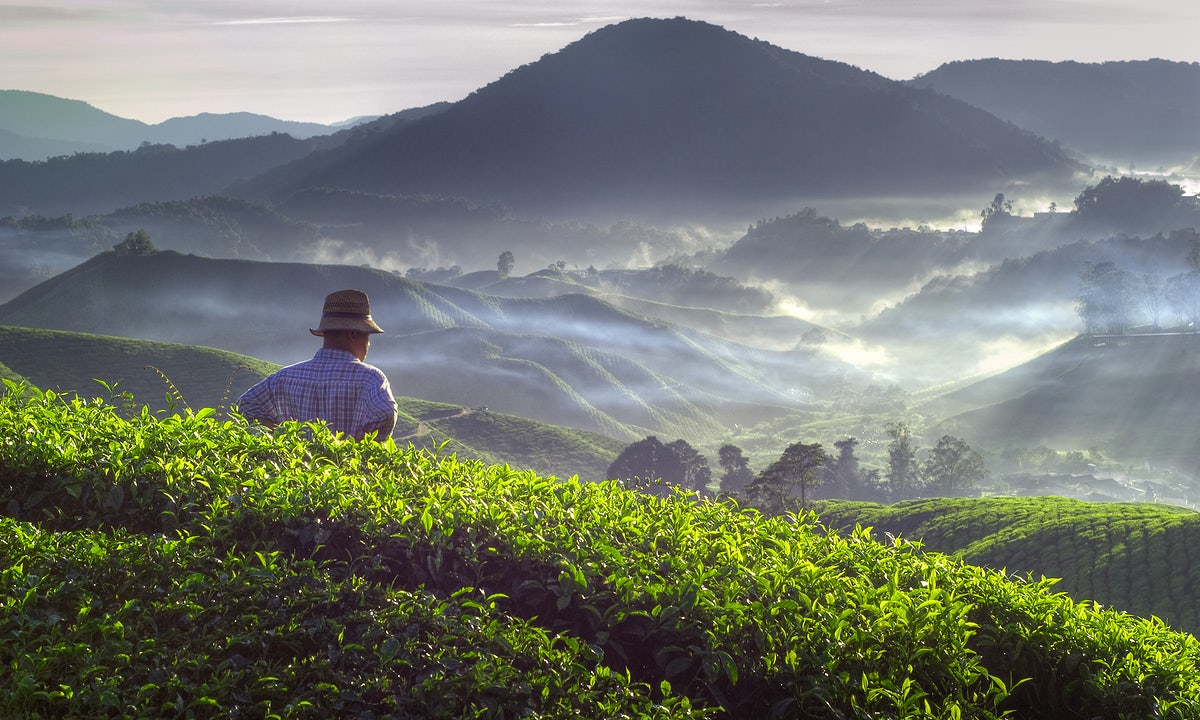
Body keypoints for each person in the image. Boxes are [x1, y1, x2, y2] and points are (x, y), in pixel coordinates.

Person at [237, 289, 398, 441]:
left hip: (295, 469)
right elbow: (385, 413)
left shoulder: (285, 377)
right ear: (353, 334)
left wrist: (283, 438)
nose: (368, 344)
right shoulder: (370, 379)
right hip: (349, 469)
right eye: (367, 337)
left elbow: (245, 405)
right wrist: (359, 446)